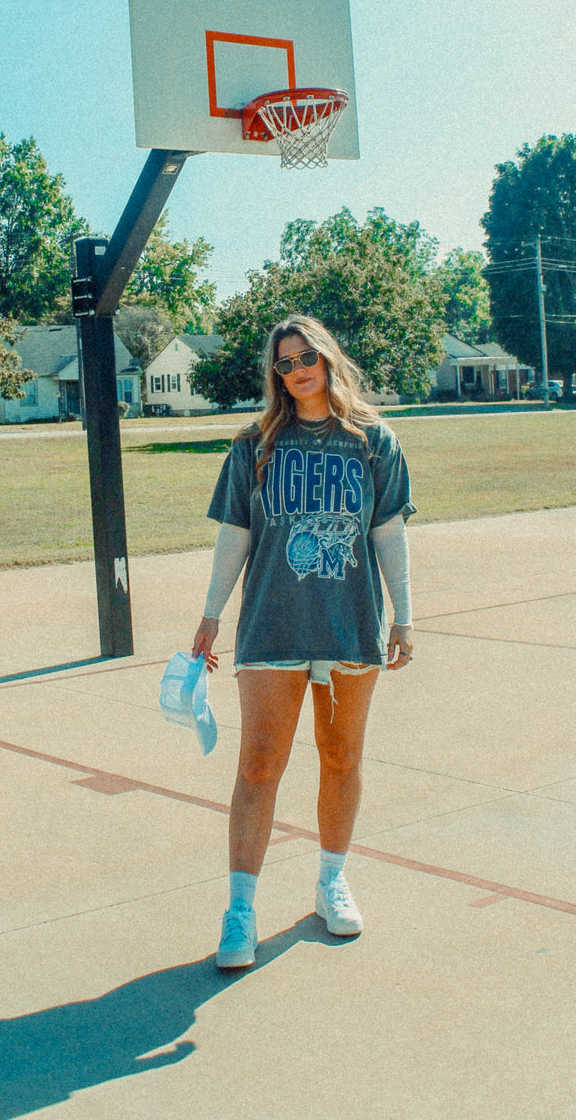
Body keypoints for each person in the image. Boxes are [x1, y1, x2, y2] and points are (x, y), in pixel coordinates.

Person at [191, 315, 414, 969]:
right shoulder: (254, 445)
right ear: (276, 377)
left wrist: (405, 616)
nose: (297, 370)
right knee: (260, 765)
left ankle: (331, 881)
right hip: (271, 624)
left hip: (349, 622)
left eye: (305, 356)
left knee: (341, 758)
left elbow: (389, 535)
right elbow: (234, 536)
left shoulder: (375, 441)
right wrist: (208, 617)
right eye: (283, 364)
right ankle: (240, 911)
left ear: (326, 357)